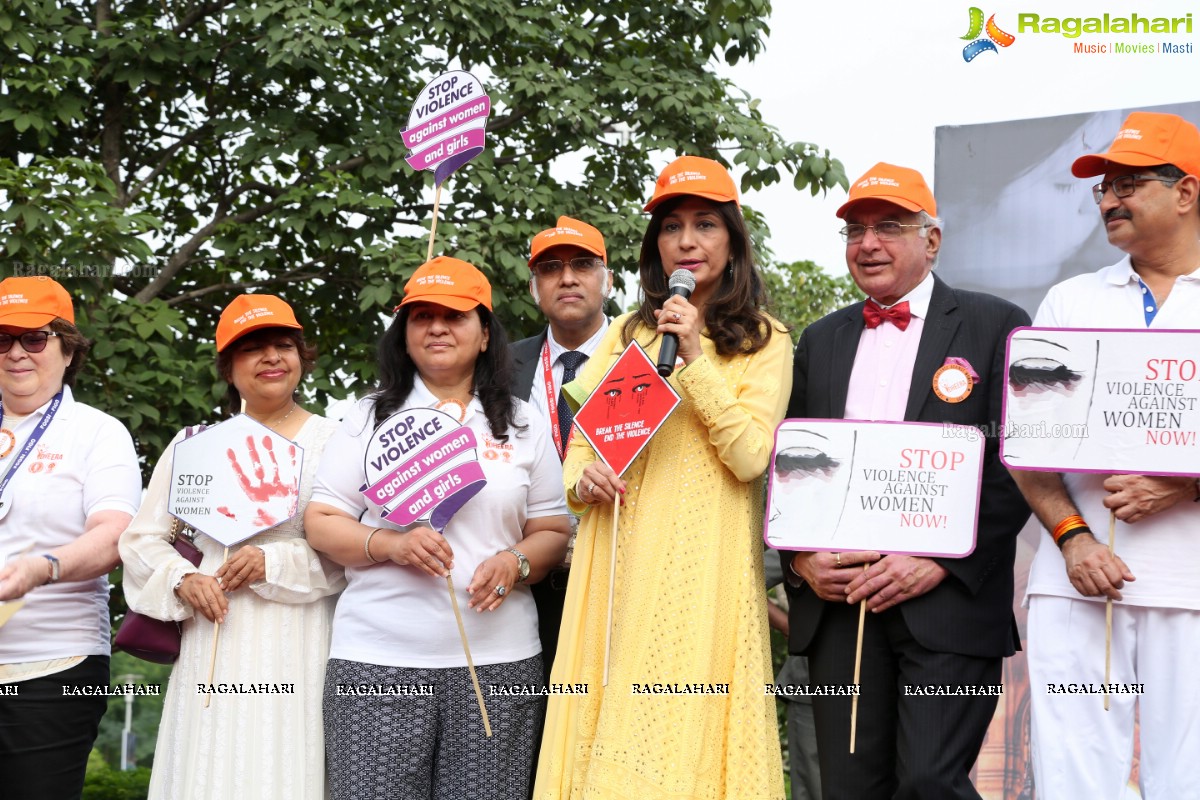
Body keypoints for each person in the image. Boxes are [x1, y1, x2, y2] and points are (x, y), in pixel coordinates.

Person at [535, 155, 791, 799]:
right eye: (672, 226)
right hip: (617, 556)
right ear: (656, 248)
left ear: (732, 242)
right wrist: (583, 479)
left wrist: (697, 358)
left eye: (706, 224)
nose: (687, 240)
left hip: (703, 567)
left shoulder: (767, 339)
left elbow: (752, 458)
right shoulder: (627, 331)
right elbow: (583, 446)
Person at [779, 163, 1030, 800]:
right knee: (849, 787)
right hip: (844, 607)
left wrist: (941, 559)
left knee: (930, 784)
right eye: (855, 231)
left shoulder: (995, 324)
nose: (868, 244)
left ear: (933, 239)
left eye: (889, 227)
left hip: (946, 601)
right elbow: (796, 465)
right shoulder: (819, 338)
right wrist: (802, 558)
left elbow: (1015, 464)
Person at [305, 255, 571, 800]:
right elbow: (322, 520)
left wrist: (516, 562)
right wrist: (389, 544)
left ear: (483, 335)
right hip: (377, 664)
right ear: (404, 336)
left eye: (455, 316)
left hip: (497, 667)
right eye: (421, 316)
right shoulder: (367, 418)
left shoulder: (524, 422)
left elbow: (551, 528)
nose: (437, 327)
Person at [1012, 111, 1200, 800]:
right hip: (1078, 584)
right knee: (1073, 784)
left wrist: (1181, 489)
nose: (1109, 200)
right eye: (1102, 188)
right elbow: (1026, 446)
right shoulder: (1070, 300)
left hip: (1192, 590)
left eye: (1129, 184)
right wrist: (1073, 539)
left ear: (1186, 192)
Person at [119, 294, 344, 799]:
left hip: (301, 638)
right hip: (211, 633)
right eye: (252, 348)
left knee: (288, 762)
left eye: (283, 344)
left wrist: (276, 559)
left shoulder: (337, 442)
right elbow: (140, 541)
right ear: (228, 366)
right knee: (208, 765)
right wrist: (183, 578)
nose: (271, 358)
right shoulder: (193, 444)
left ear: (302, 357)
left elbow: (353, 553)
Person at [0, 276, 141, 797]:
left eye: (33, 339)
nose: (16, 352)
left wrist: (44, 567)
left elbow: (113, 535)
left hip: (54, 666)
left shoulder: (97, 431)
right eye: (2, 339)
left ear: (67, 349)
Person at [510, 214, 613, 681]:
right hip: (525, 583)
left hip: (618, 573)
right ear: (534, 288)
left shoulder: (648, 355)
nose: (567, 277)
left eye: (583, 264)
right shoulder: (498, 367)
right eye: (550, 268)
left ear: (608, 280)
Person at [763, 551, 822, 800]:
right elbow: (743, 578)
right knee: (814, 789)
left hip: (885, 683)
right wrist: (791, 626)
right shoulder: (808, 532)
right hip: (809, 683)